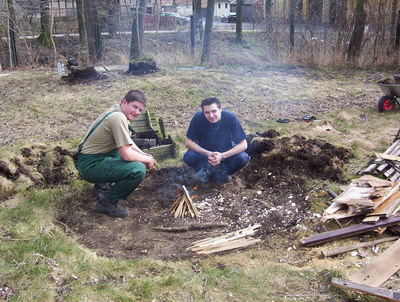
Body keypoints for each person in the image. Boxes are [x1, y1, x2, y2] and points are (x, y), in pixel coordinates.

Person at [77, 90, 157, 218]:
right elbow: (127, 155)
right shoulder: (118, 117)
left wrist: (143, 154)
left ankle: (102, 186)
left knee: (133, 157)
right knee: (138, 169)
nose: (137, 112)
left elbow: (127, 140)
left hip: (92, 157)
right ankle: (108, 202)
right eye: (134, 107)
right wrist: (147, 160)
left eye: (140, 110)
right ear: (125, 102)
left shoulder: (118, 110)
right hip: (90, 165)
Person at [183, 97, 249, 182]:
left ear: (220, 108)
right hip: (205, 154)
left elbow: (244, 144)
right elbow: (188, 142)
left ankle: (225, 173)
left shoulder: (230, 118)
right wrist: (208, 154)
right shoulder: (198, 117)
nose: (211, 115)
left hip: (226, 153)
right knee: (189, 156)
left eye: (214, 111)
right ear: (203, 112)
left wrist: (222, 156)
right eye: (207, 112)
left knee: (243, 158)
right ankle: (205, 171)